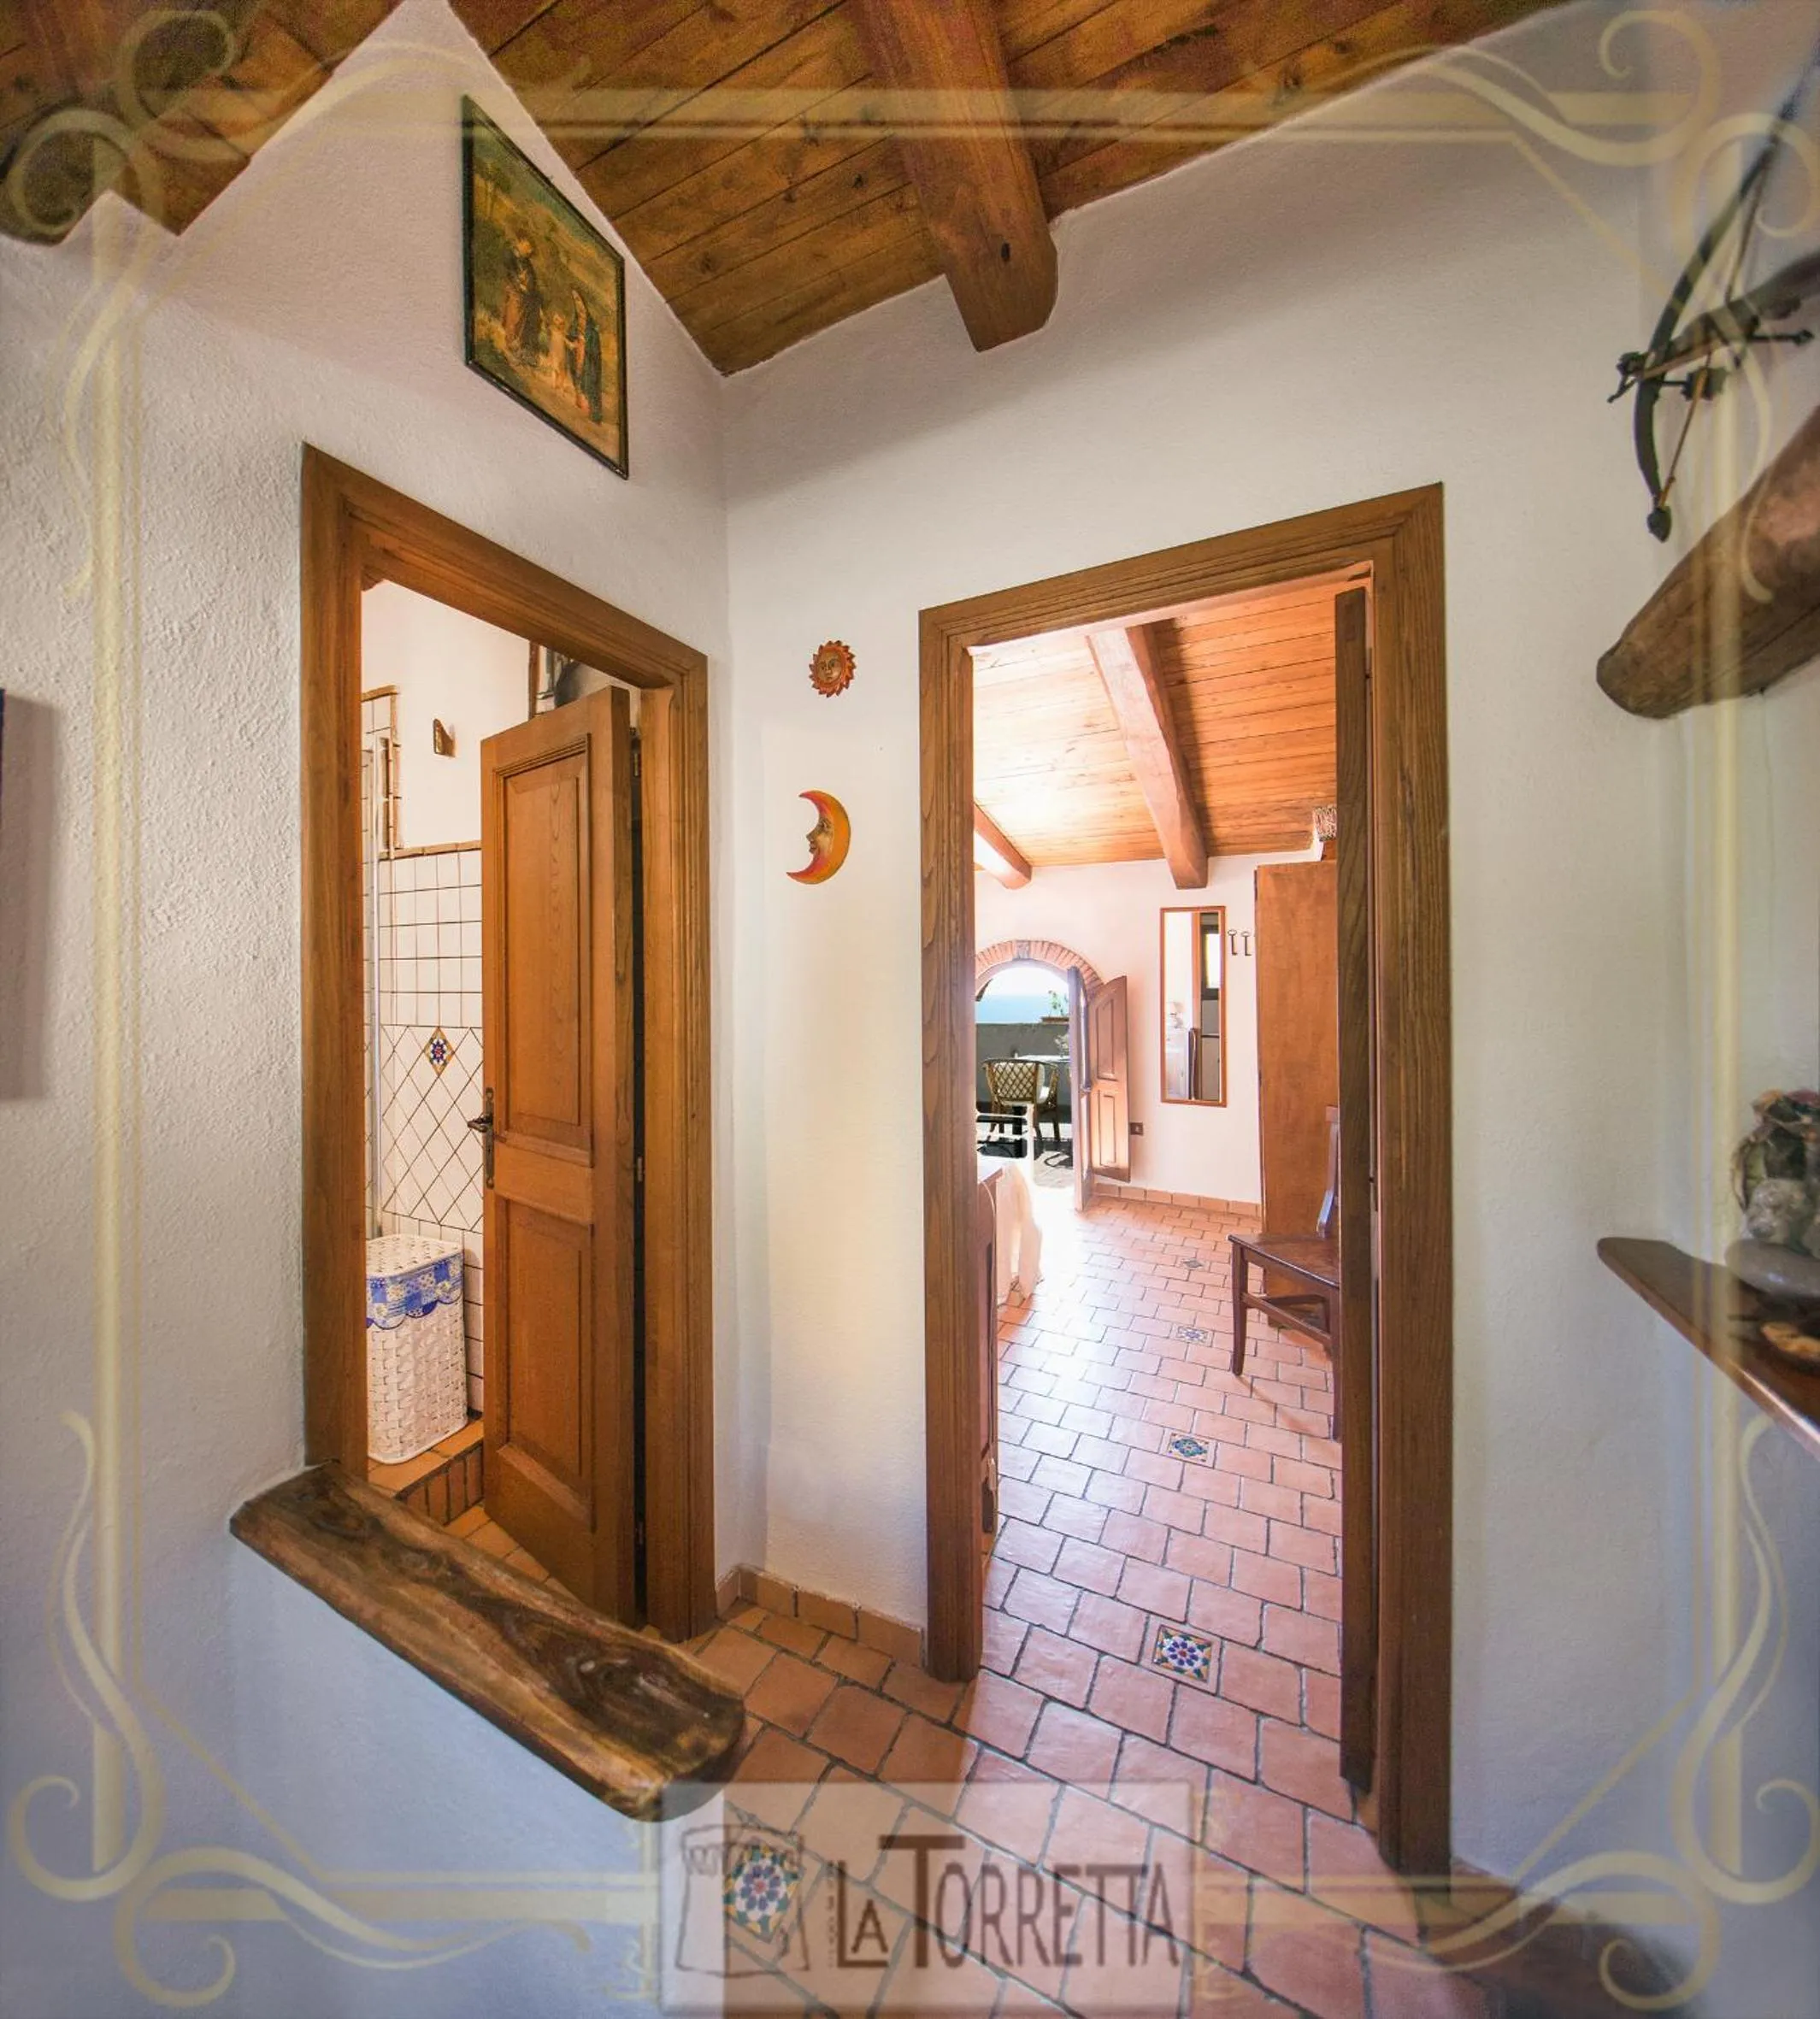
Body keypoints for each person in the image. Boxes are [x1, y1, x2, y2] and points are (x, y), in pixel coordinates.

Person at [499, 232, 543, 368]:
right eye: (528, 247)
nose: (530, 251)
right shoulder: (508, 255)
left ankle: (524, 348)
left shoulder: (527, 262)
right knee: (516, 309)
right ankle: (512, 344)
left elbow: (532, 281)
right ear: (521, 242)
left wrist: (527, 285)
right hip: (513, 291)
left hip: (526, 295)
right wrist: (519, 283)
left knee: (532, 313)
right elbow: (508, 273)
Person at [565, 288, 604, 423]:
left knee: (587, 380)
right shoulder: (575, 323)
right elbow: (569, 336)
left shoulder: (592, 329)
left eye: (579, 300)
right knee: (578, 377)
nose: (578, 304)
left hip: (587, 358)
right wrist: (572, 342)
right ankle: (580, 402)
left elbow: (595, 350)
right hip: (577, 356)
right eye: (575, 301)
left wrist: (584, 344)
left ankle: (590, 409)